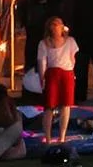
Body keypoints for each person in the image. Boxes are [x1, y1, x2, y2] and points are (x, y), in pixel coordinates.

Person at [34, 15, 80, 143]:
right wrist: (42, 78)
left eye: (58, 24)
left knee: (66, 106)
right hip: (52, 75)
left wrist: (70, 71)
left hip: (67, 74)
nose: (55, 27)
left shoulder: (70, 41)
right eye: (53, 24)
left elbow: (73, 59)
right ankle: (48, 138)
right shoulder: (43, 43)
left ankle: (62, 136)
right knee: (49, 106)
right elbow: (42, 62)